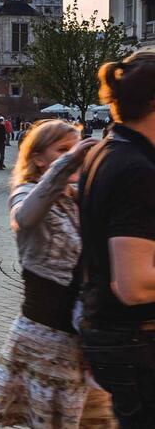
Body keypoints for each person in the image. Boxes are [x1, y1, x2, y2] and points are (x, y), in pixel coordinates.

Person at [0, 121, 116, 427]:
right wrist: (67, 164)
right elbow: (25, 218)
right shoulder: (27, 192)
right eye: (63, 149)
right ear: (39, 158)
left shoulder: (78, 195)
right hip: (47, 337)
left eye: (75, 148)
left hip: (85, 338)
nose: (74, 156)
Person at [79, 52, 155, 427]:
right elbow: (134, 283)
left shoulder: (108, 151)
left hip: (113, 334)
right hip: (135, 340)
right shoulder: (136, 169)